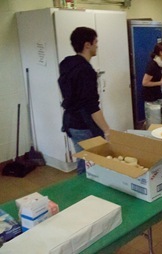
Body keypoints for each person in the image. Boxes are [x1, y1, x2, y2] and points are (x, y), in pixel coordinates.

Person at [58, 27, 110, 175]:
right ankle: (86, 194)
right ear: (87, 45)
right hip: (83, 124)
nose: (97, 45)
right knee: (89, 164)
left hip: (71, 122)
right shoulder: (86, 71)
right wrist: (107, 130)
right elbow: (91, 106)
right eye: (96, 42)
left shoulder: (67, 63)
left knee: (85, 160)